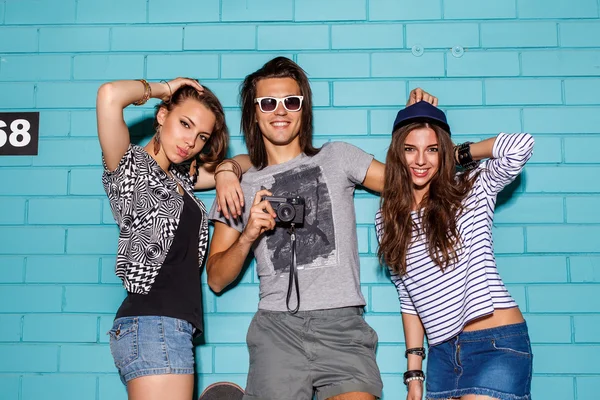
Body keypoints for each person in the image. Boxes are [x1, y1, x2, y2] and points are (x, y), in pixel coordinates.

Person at [206, 56, 436, 400]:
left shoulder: (338, 157)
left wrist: (414, 126)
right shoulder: (241, 185)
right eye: (268, 103)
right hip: (277, 330)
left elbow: (410, 183)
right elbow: (216, 278)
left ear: (304, 109)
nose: (280, 111)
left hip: (342, 327)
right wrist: (249, 233)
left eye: (291, 101)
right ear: (254, 113)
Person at [97, 77, 249, 400]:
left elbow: (251, 164)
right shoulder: (131, 167)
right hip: (152, 322)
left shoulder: (184, 179)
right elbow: (109, 96)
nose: (190, 141)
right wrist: (165, 88)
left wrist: (224, 173)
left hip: (174, 327)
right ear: (163, 115)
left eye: (201, 136)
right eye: (185, 124)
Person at [376, 101, 535, 400]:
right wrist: (414, 374)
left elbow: (519, 146)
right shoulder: (387, 219)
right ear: (398, 153)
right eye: (411, 149)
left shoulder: (473, 186)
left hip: (495, 344)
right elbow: (409, 296)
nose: (421, 160)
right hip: (442, 357)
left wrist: (458, 154)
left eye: (433, 149)